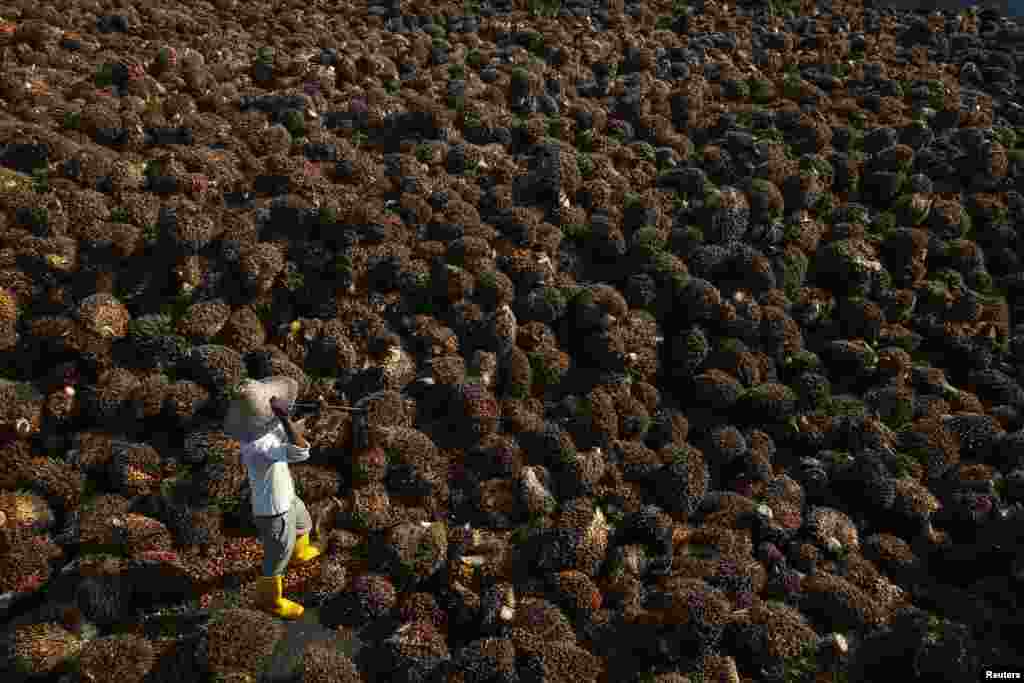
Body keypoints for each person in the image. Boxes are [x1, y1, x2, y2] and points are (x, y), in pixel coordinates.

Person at [224, 376, 325, 619]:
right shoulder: (257, 445)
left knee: (303, 524)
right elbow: (300, 451)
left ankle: (299, 554)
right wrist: (284, 417)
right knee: (277, 556)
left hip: (287, 496)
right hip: (274, 511)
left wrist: (315, 415)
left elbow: (291, 433)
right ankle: (270, 601)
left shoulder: (262, 427)